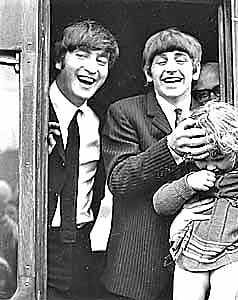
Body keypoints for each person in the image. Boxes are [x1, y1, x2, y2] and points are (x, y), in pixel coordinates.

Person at [101, 28, 212, 300]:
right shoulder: (124, 112)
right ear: (148, 74)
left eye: (181, 59)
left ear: (195, 71)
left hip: (199, 264)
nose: (171, 68)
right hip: (138, 269)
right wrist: (170, 149)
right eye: (161, 61)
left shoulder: (212, 115)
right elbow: (119, 179)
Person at [153, 101, 238, 300]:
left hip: (236, 249)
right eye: (202, 158)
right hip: (192, 248)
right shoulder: (191, 170)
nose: (210, 166)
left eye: (219, 158)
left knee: (226, 294)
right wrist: (188, 184)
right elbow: (160, 204)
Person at [47, 20, 119, 300]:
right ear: (58, 61)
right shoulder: (27, 107)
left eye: (101, 61)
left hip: (80, 247)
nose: (92, 68)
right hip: (30, 243)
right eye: (81, 56)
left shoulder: (101, 119)